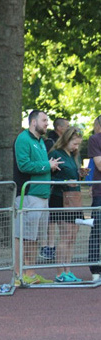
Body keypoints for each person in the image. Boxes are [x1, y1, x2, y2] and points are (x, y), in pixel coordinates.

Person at [13, 109, 62, 284]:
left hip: (42, 196)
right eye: (44, 120)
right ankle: (18, 274)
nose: (47, 123)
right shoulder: (23, 139)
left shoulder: (41, 142)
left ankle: (30, 273)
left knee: (34, 237)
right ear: (33, 122)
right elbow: (24, 165)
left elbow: (40, 165)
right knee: (22, 235)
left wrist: (50, 167)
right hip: (28, 195)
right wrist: (47, 165)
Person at [49, 127, 88, 282]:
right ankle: (60, 273)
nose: (76, 147)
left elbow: (73, 178)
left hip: (75, 199)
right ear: (66, 139)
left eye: (78, 144)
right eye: (74, 143)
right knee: (65, 236)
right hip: (61, 198)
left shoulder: (73, 156)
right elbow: (48, 178)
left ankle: (68, 270)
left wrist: (80, 176)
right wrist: (65, 182)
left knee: (72, 236)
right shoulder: (55, 154)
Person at [41, 117, 70, 260]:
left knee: (57, 218)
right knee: (52, 218)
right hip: (53, 187)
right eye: (67, 126)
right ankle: (49, 246)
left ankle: (52, 246)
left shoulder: (63, 145)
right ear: (59, 128)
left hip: (60, 187)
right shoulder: (50, 143)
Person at [87, 115, 101, 281]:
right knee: (97, 230)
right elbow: (99, 165)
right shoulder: (95, 139)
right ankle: (95, 269)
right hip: (100, 193)